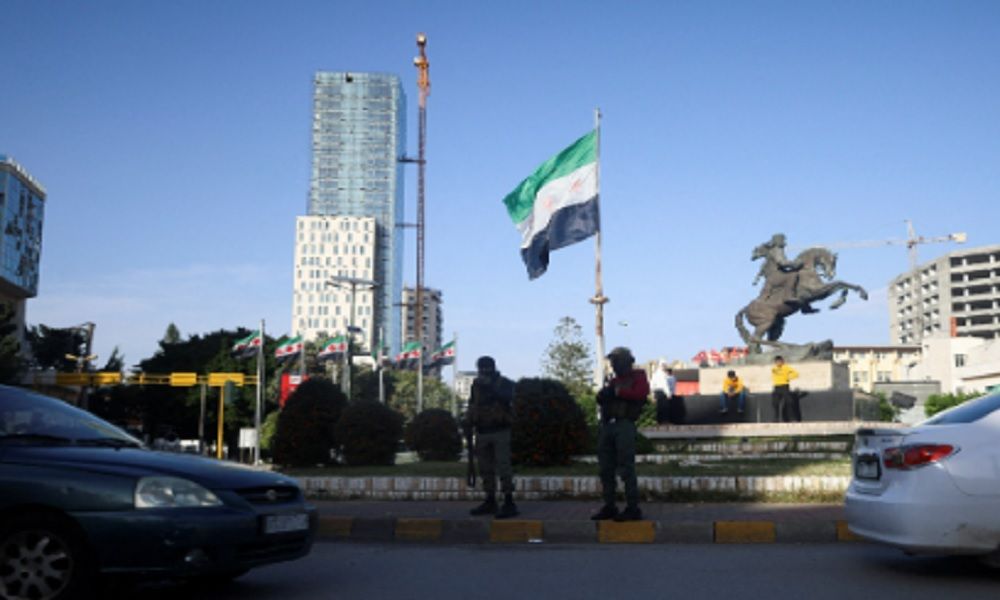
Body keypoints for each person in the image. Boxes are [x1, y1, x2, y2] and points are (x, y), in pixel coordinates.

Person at [592, 347, 650, 522]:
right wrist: (603, 396)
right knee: (605, 468)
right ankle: (609, 505)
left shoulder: (638, 377)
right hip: (608, 425)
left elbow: (641, 394)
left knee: (626, 467)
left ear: (626, 362)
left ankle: (633, 507)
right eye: (613, 362)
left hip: (624, 424)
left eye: (616, 361)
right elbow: (604, 399)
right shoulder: (614, 380)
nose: (614, 365)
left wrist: (618, 392)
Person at [463, 356, 518, 519]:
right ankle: (490, 499)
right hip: (482, 431)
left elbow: (508, 398)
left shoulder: (505, 383)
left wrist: (491, 387)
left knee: (504, 467)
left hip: (500, 430)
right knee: (485, 468)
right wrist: (468, 422)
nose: (484, 370)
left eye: (487, 367)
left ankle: (509, 501)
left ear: (493, 367)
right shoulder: (476, 385)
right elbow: (473, 404)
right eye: (481, 367)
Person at [771, 356, 799, 422]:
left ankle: (792, 418)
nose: (778, 363)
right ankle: (776, 419)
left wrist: (789, 378)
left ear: (782, 361)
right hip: (776, 387)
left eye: (779, 361)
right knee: (775, 403)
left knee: (789, 402)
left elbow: (796, 374)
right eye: (777, 362)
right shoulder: (774, 368)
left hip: (784, 386)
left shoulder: (786, 367)